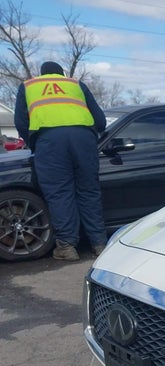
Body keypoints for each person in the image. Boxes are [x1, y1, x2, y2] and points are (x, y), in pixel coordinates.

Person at [14, 61, 107, 261]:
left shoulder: (28, 86)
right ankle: (99, 244)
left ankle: (67, 246)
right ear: (61, 73)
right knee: (89, 191)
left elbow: (21, 122)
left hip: (50, 141)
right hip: (83, 139)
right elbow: (100, 121)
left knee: (60, 193)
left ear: (42, 73)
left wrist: (34, 143)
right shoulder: (76, 85)